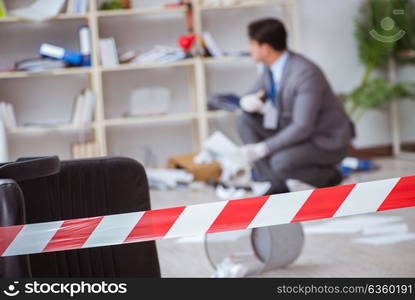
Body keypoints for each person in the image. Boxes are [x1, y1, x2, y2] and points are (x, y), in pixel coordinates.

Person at [237, 18, 355, 194]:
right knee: (244, 120)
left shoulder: (305, 73)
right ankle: (275, 183)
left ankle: (331, 176)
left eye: (252, 44)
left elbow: (303, 126)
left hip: (323, 140)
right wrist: (245, 101)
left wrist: (264, 148)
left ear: (265, 48)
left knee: (280, 161)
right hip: (294, 131)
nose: (249, 49)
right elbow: (251, 94)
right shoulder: (271, 69)